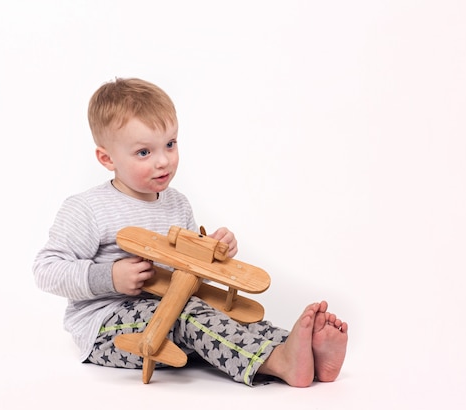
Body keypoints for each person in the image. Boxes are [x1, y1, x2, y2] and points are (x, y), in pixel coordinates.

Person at [33, 77, 348, 387]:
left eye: (170, 144)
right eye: (144, 152)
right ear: (107, 158)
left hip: (174, 306)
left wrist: (212, 254)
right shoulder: (87, 208)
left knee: (221, 310)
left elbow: (187, 276)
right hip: (106, 326)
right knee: (189, 313)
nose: (163, 161)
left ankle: (297, 349)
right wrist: (110, 277)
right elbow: (46, 270)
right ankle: (277, 362)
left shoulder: (177, 204)